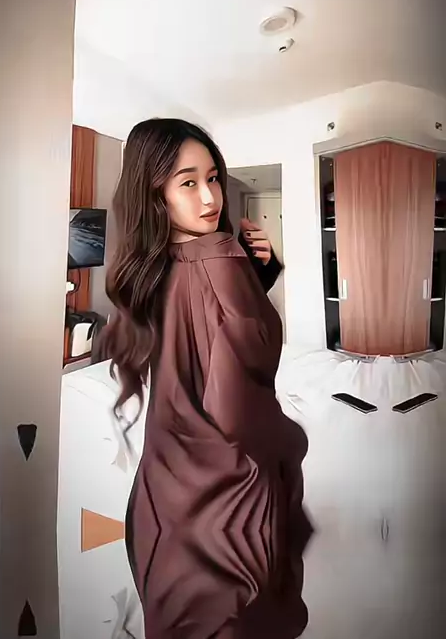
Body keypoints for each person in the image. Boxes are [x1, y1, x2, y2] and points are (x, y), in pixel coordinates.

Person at [99, 118, 310, 638]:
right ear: (155, 194)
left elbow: (199, 333)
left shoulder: (153, 268)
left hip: (163, 499)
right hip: (225, 511)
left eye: (213, 178)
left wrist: (256, 277)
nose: (210, 197)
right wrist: (290, 440)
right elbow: (239, 405)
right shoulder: (219, 257)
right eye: (188, 183)